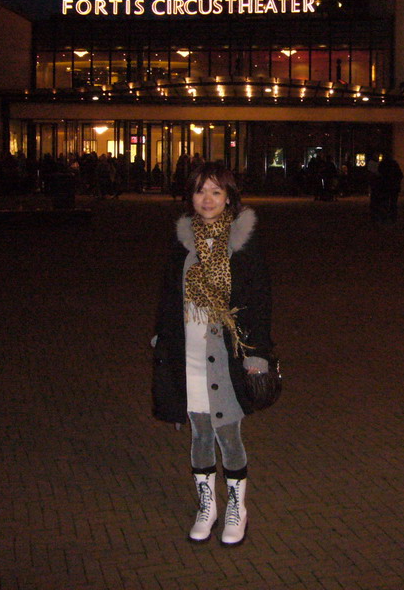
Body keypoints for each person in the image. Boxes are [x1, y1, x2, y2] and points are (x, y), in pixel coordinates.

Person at [151, 162, 274, 547]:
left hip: (226, 356)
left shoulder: (244, 245)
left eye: (216, 192)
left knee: (228, 433)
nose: (207, 199)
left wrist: (258, 355)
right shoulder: (182, 242)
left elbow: (260, 303)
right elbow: (168, 297)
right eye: (201, 191)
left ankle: (238, 506)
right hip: (187, 353)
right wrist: (162, 340)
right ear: (190, 196)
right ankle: (208, 505)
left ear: (230, 199)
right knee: (200, 432)